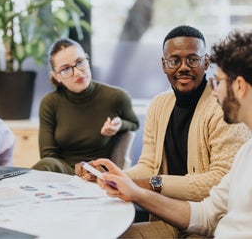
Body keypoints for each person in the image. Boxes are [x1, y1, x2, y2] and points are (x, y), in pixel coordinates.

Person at [76, 25, 251, 236]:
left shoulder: (224, 112)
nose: (183, 67)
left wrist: (150, 184)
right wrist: (115, 176)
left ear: (205, 63)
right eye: (175, 61)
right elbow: (150, 166)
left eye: (193, 60)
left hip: (203, 228)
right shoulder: (159, 104)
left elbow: (215, 184)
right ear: (164, 64)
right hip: (173, 215)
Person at [32, 38, 139, 175]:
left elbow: (134, 123)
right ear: (56, 76)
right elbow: (48, 155)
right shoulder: (50, 103)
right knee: (46, 164)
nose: (77, 72)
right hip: (63, 173)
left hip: (96, 173)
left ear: (87, 59)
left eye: (80, 62)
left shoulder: (116, 96)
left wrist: (119, 125)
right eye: (66, 69)